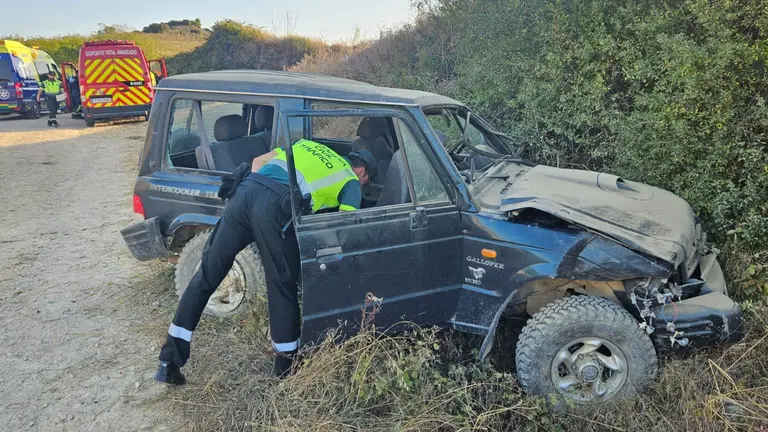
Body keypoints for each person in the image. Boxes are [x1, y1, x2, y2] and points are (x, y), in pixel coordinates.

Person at [155, 139, 377, 385]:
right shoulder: (349, 180)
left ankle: (168, 362)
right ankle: (286, 369)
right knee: (281, 286)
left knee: (206, 274)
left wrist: (256, 198)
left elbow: (257, 162)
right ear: (361, 171)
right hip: (275, 206)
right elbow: (344, 228)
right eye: (366, 181)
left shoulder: (307, 145)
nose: (363, 185)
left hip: (245, 192)